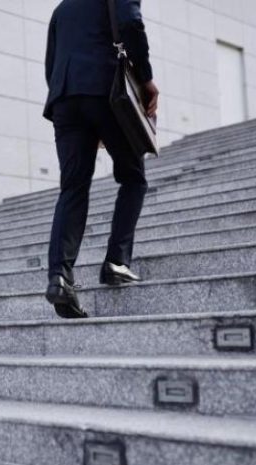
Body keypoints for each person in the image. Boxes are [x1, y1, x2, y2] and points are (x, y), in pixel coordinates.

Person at [42, 0, 159, 319]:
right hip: (107, 91)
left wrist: (80, 112)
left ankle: (60, 277)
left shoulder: (62, 9)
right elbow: (131, 24)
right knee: (133, 178)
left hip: (65, 99)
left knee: (73, 188)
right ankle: (117, 261)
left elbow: (51, 65)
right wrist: (146, 78)